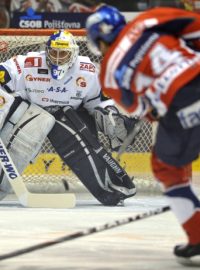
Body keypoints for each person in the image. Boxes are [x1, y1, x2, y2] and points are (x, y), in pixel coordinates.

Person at [86, 4, 200, 265]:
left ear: (98, 40)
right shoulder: (149, 19)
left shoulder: (109, 74)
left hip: (181, 103)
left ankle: (198, 235)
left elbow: (144, 110)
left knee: (165, 168)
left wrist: (158, 107)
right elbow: (195, 27)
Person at [0, 29, 137, 206]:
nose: (57, 58)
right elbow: (4, 73)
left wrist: (110, 115)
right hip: (31, 113)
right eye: (53, 52)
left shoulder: (88, 71)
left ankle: (111, 189)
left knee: (87, 151)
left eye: (63, 53)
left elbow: (99, 102)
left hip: (69, 116)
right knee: (30, 126)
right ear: (46, 50)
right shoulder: (29, 63)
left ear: (73, 54)